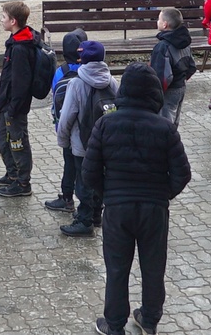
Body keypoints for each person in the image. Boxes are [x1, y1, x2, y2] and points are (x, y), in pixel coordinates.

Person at [82, 63, 191, 335]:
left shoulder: (105, 124)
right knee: (154, 267)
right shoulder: (165, 128)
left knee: (117, 268)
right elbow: (182, 174)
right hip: (154, 210)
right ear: (154, 93)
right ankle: (149, 319)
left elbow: (89, 172)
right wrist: (163, 195)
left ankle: (114, 324)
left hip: (118, 210)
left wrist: (109, 195)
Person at [56, 40, 116, 237]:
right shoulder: (112, 81)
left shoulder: (76, 83)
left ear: (82, 58)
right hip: (105, 143)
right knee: (100, 178)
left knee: (83, 183)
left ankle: (84, 221)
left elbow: (66, 117)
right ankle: (97, 215)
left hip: (82, 144)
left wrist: (63, 141)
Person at [0, 0, 38, 197]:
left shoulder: (20, 48)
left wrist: (13, 107)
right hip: (7, 104)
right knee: (4, 140)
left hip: (14, 107)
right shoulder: (15, 41)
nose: (0, 20)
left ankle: (22, 183)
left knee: (17, 143)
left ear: (13, 21)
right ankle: (12, 175)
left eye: (3, 17)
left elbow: (20, 83)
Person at [46, 27, 87, 215]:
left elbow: (56, 98)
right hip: (87, 128)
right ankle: (91, 203)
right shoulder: (88, 70)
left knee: (69, 163)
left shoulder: (59, 73)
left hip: (66, 127)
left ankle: (67, 198)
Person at [150, 7, 193, 126]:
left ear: (165, 25)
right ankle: (174, 141)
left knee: (164, 122)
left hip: (168, 90)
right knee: (174, 120)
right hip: (181, 86)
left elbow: (163, 76)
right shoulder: (185, 41)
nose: (156, 21)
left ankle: (167, 143)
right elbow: (192, 66)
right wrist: (182, 79)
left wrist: (156, 93)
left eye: (158, 19)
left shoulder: (163, 47)